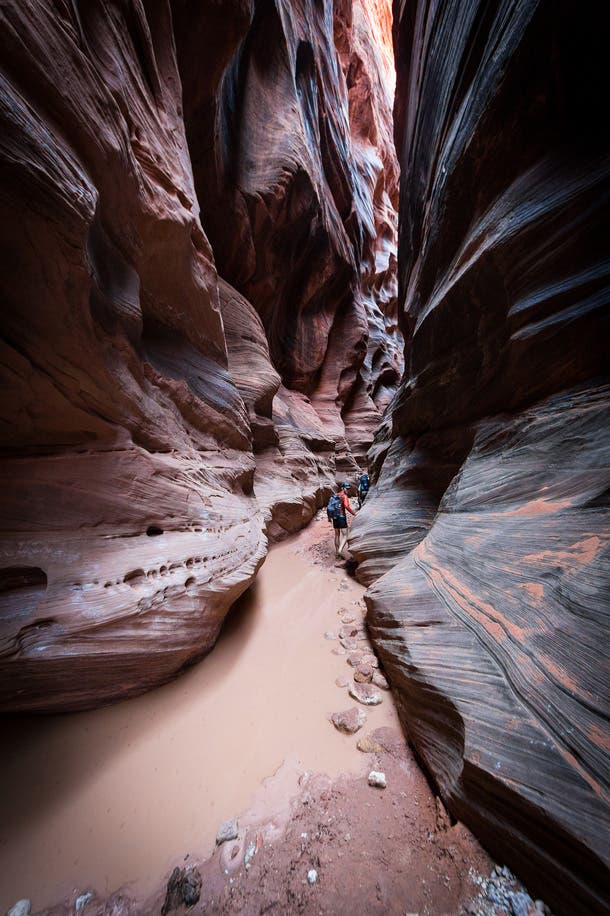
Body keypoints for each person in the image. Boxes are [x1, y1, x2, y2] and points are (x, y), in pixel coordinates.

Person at [327, 481, 356, 559]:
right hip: (341, 517)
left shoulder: (335, 495)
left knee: (337, 534)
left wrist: (329, 517)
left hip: (335, 518)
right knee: (345, 535)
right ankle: (340, 551)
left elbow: (330, 507)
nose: (348, 490)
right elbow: (346, 506)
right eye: (347, 488)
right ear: (343, 488)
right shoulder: (344, 496)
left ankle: (337, 553)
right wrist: (354, 513)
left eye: (348, 488)